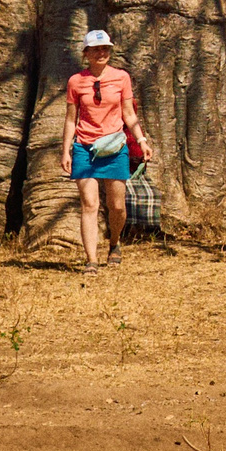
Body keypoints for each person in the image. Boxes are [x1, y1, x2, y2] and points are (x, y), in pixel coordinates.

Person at [60, 29, 150, 270]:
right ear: (86, 53)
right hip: (84, 148)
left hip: (114, 147)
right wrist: (66, 150)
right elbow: (71, 119)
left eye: (105, 49)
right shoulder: (75, 81)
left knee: (117, 206)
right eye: (96, 49)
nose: (101, 53)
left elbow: (129, 114)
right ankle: (91, 260)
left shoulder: (122, 78)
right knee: (89, 204)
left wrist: (141, 141)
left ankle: (114, 242)